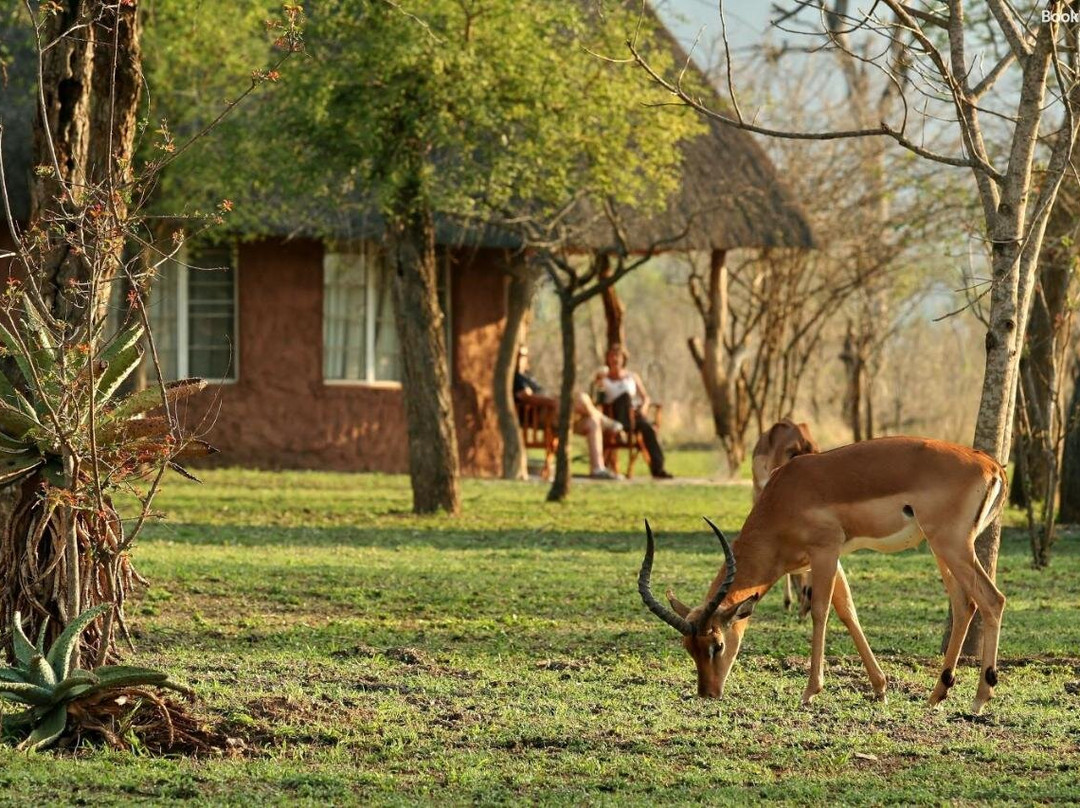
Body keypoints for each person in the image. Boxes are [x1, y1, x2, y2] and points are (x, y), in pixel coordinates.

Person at [514, 347, 624, 480]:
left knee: (592, 422)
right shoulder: (516, 378)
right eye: (518, 356)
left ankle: (598, 469)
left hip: (557, 414)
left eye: (523, 356)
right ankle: (605, 421)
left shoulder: (529, 376)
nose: (520, 359)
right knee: (581, 398)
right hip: (543, 414)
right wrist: (552, 401)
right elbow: (526, 397)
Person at [594, 342, 673, 479]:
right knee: (624, 396)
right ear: (608, 359)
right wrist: (599, 378)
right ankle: (622, 428)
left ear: (623, 359)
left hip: (635, 415)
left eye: (618, 356)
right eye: (612, 356)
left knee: (648, 429)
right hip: (615, 416)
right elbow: (597, 396)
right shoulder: (604, 379)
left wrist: (644, 408)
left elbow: (645, 397)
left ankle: (658, 468)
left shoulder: (632, 376)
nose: (615, 359)